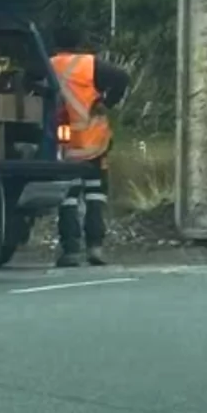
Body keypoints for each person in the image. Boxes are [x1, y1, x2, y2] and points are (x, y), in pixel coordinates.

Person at [49, 25, 131, 268]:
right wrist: (107, 102)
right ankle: (95, 246)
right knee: (96, 194)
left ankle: (71, 249)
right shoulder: (91, 64)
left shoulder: (48, 64)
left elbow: (29, 82)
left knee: (68, 196)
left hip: (63, 142)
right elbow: (122, 78)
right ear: (80, 42)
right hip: (94, 142)